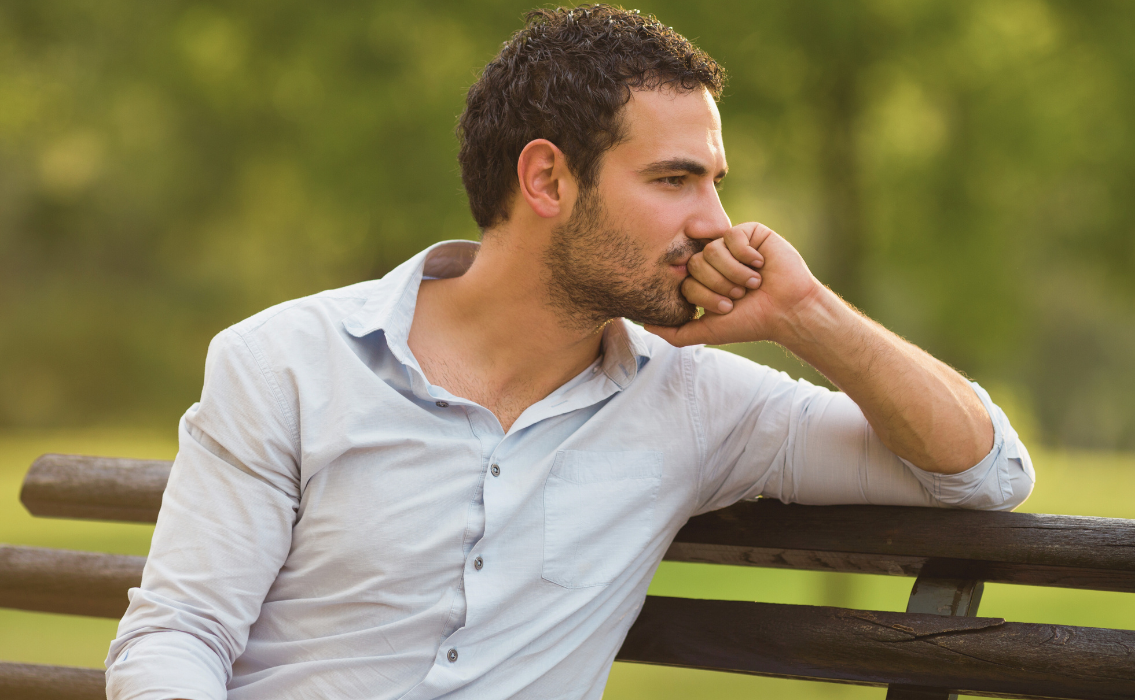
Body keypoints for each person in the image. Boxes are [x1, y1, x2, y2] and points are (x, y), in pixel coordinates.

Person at [105, 5, 1034, 699]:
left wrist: (808, 315)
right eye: (674, 180)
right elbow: (178, 634)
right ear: (547, 178)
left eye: (714, 182)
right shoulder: (287, 364)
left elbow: (984, 470)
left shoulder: (699, 403)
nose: (715, 222)